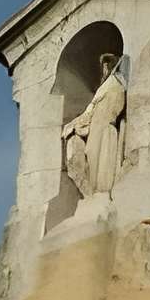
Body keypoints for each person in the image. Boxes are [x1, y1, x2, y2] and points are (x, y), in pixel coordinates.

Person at [61, 53, 126, 204]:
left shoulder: (115, 84)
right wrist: (75, 125)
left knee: (102, 158)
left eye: (106, 66)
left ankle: (102, 193)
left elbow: (114, 106)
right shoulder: (104, 88)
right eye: (103, 67)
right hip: (96, 127)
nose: (104, 70)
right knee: (90, 154)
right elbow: (89, 111)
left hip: (104, 127)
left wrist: (77, 124)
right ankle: (94, 194)